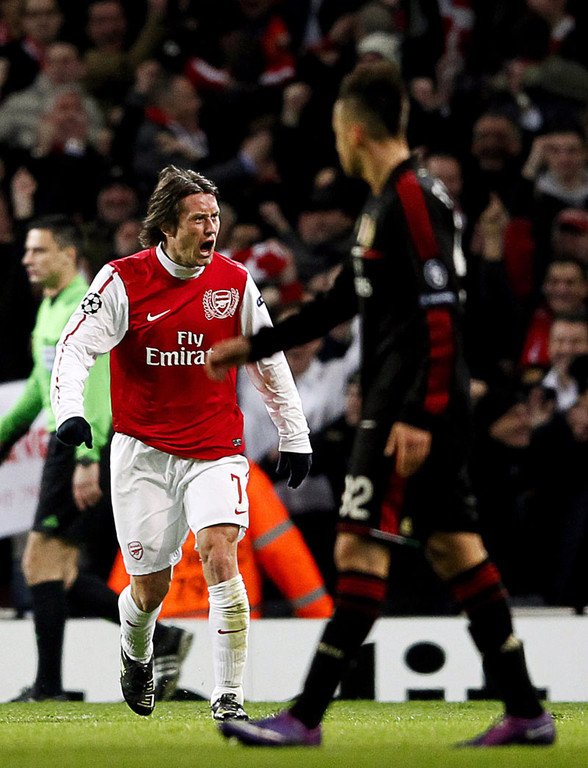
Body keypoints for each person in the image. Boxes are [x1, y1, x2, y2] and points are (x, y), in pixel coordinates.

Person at [206, 61, 556, 748]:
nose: (336, 144)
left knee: (359, 548)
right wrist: (256, 345)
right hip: (410, 403)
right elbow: (341, 299)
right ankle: (525, 710)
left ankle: (305, 718)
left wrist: (420, 414)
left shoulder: (413, 198)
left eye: (337, 131)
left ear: (354, 130)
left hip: (406, 407)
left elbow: (442, 316)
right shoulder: (385, 202)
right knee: (455, 549)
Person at [50, 166, 312, 720]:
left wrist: (294, 433)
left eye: (215, 217)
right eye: (199, 219)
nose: (211, 227)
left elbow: (267, 358)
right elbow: (76, 348)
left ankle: (229, 697)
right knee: (149, 588)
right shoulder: (122, 280)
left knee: (220, 552)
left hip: (216, 448)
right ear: (168, 225)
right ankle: (136, 651)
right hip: (142, 453)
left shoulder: (234, 282)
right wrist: (69, 413)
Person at [0, 214, 192, 702]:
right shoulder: (50, 308)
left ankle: (50, 686)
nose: (27, 259)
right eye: (27, 250)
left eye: (39, 250)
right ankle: (161, 637)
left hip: (83, 442)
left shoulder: (87, 306)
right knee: (56, 572)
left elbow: (98, 386)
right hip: (66, 444)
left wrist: (88, 457)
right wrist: (4, 437)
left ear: (69, 254)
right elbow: (41, 388)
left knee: (39, 562)